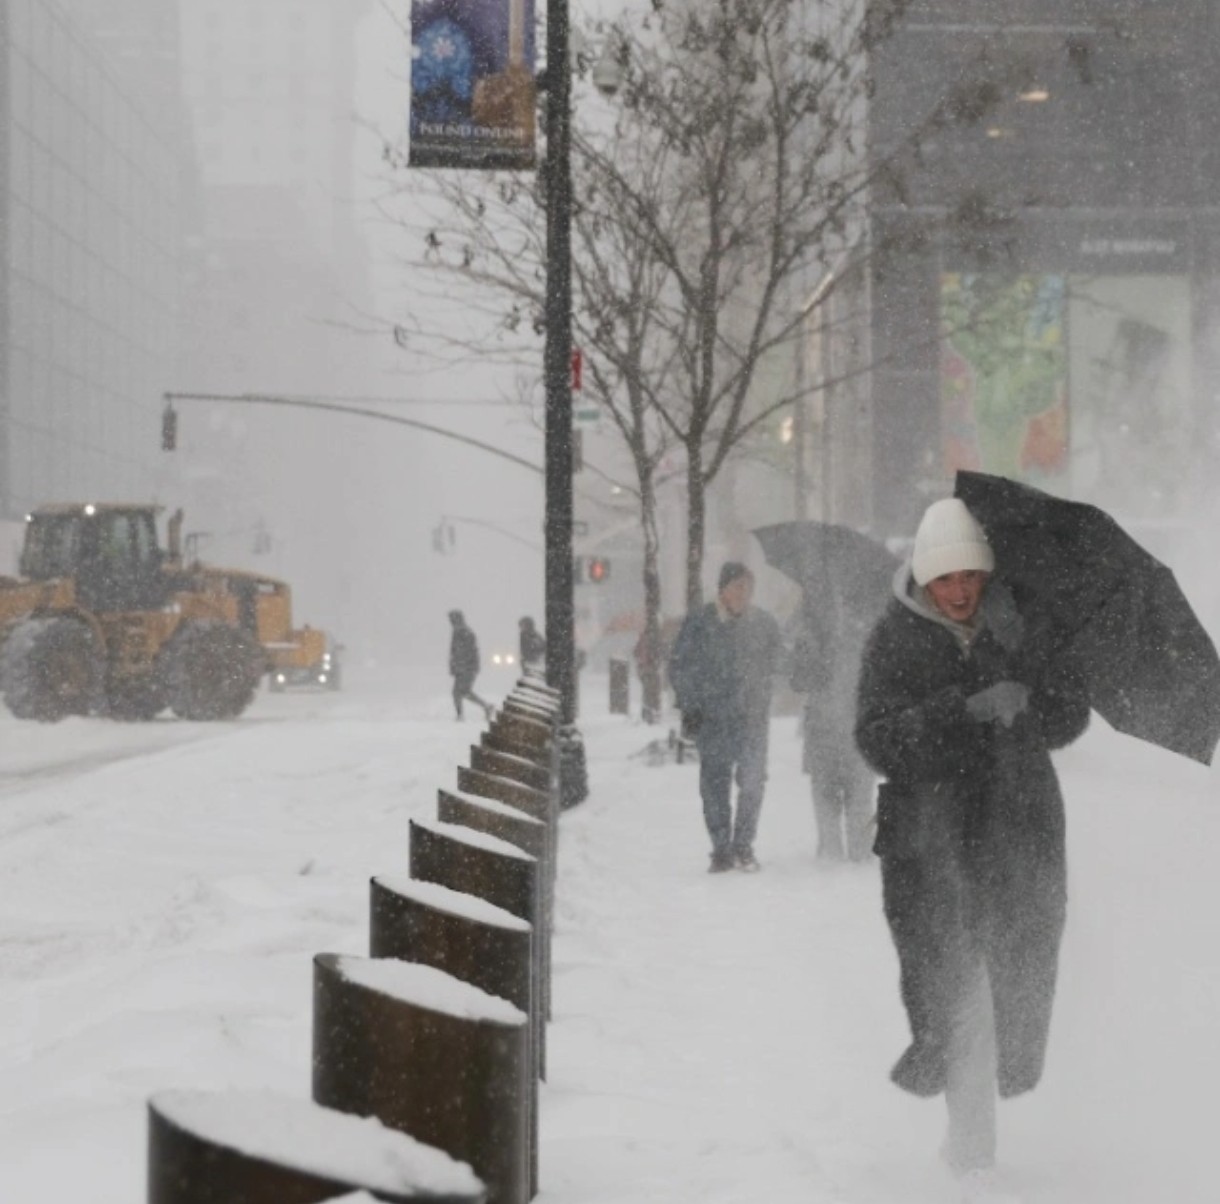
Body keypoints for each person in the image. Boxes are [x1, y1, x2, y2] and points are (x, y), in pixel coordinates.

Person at [854, 497, 1090, 1199]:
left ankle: (972, 1147)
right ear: (923, 579)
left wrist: (1031, 697)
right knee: (957, 996)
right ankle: (973, 1160)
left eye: (969, 577)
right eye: (944, 579)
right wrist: (960, 712)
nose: (958, 592)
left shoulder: (1018, 624)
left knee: (1010, 987)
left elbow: (1068, 715)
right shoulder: (892, 639)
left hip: (1017, 834)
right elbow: (876, 738)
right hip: (929, 849)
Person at [668, 562, 782, 873]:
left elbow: (780, 663)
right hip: (713, 718)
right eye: (738, 586)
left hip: (752, 718)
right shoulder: (701, 623)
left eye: (748, 587)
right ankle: (721, 848)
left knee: (753, 782)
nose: (744, 594)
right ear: (723, 590)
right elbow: (680, 666)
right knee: (714, 785)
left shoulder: (764, 625)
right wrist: (691, 705)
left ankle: (743, 845)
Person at [790, 594, 875, 862]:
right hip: (823, 727)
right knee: (826, 797)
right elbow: (799, 680)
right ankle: (831, 859)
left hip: (857, 726)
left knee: (859, 799)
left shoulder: (870, 632)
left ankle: (858, 856)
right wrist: (809, 651)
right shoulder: (811, 627)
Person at [448, 610, 493, 721]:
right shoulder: (459, 632)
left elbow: (467, 651)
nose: (451, 622)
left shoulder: (464, 632)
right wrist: (454, 666)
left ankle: (461, 715)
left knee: (459, 692)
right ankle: (485, 707)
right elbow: (456, 652)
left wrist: (461, 665)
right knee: (463, 692)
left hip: (467, 667)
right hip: (464, 667)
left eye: (452, 619)